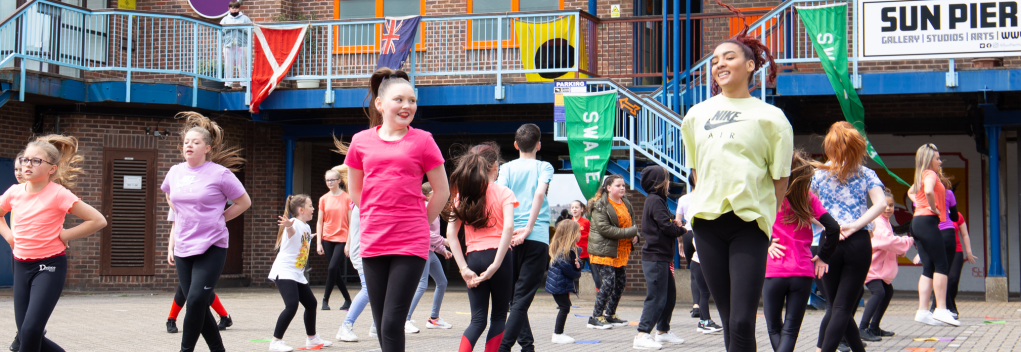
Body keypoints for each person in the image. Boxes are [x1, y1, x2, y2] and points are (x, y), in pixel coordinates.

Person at [678, 3, 793, 349]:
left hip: (749, 224)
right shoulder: (696, 115)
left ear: (750, 65)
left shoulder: (772, 118)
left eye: (728, 57)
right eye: (715, 61)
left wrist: (767, 217)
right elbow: (697, 171)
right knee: (728, 319)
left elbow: (780, 179)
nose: (719, 64)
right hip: (706, 224)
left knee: (743, 319)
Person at [343, 68, 450, 352]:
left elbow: (442, 191)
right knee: (381, 323)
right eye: (399, 100)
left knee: (392, 322)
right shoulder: (360, 141)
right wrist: (373, 216)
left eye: (412, 100)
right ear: (380, 104)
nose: (407, 106)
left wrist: (420, 222)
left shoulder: (423, 140)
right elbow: (355, 190)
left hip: (410, 242)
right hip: (373, 240)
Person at [0, 135, 108, 352]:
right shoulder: (14, 192)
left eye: (36, 161)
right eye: (25, 159)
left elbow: (98, 220)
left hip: (49, 266)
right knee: (26, 335)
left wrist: (65, 235)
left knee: (31, 331)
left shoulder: (59, 194)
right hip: (20, 265)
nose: (27, 165)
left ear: (52, 169)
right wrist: (9, 236)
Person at [162, 112, 251, 352]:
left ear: (207, 148)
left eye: (195, 142)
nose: (189, 145)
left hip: (212, 245)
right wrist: (182, 215)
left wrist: (220, 218)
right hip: (183, 246)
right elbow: (170, 195)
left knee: (195, 300)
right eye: (186, 142)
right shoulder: (175, 172)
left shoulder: (220, 174)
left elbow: (244, 202)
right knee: (198, 303)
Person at [810, 121, 889, 352]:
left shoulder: (818, 175)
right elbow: (881, 204)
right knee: (842, 308)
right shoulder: (866, 173)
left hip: (829, 242)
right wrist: (854, 226)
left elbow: (805, 209)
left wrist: (832, 226)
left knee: (836, 306)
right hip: (859, 241)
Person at [762, 150, 840, 352]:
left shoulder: (769, 195)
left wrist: (767, 243)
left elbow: (751, 224)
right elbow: (833, 228)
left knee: (774, 328)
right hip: (803, 272)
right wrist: (824, 256)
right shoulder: (808, 197)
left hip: (774, 270)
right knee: (790, 331)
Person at [445, 142, 518, 352]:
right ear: (494, 165)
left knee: (477, 320)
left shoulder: (462, 196)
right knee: (499, 316)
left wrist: (463, 269)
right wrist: (496, 264)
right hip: (500, 257)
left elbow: (450, 234)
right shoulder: (504, 192)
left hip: (474, 259)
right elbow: (509, 227)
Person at [495, 123, 555, 352]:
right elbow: (540, 193)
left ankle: (527, 347)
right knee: (521, 300)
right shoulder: (544, 166)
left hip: (510, 238)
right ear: (539, 145)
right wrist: (529, 227)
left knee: (515, 299)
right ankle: (505, 348)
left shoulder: (506, 168)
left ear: (515, 145)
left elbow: (500, 197)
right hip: (536, 237)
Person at [269, 195, 334, 352]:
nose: (313, 209)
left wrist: (311, 236)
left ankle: (312, 339)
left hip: (297, 273)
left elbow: (301, 239)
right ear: (301, 210)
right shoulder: (293, 223)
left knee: (311, 304)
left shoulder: (306, 227)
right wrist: (288, 226)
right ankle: (276, 342)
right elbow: (291, 231)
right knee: (292, 305)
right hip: (285, 271)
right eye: (310, 206)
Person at [634, 166, 687, 350]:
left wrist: (674, 223)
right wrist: (682, 229)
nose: (668, 182)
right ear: (658, 182)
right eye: (666, 179)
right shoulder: (655, 200)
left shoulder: (657, 200)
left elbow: (664, 223)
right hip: (655, 257)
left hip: (662, 257)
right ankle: (642, 334)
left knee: (669, 296)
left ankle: (662, 331)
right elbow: (666, 227)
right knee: (656, 297)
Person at [909, 143, 960, 326]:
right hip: (927, 222)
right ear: (929, 159)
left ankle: (923, 312)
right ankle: (941, 309)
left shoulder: (921, 174)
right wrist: (932, 207)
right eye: (938, 158)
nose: (940, 162)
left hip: (917, 222)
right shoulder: (930, 174)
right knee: (942, 265)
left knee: (928, 268)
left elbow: (911, 192)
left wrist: (921, 204)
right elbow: (929, 191)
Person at [585, 175, 640, 330]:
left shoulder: (626, 202)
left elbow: (632, 223)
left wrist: (636, 235)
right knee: (609, 283)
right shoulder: (600, 205)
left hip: (620, 251)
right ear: (608, 188)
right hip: (603, 251)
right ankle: (595, 317)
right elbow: (605, 229)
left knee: (620, 283)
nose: (622, 188)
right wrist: (631, 232)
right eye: (618, 185)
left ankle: (610, 314)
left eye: (623, 185)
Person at [166, 209, 233, 334]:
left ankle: (172, 319)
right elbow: (175, 225)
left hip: (203, 250)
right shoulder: (175, 202)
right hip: (184, 251)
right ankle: (223, 317)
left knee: (197, 288)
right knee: (193, 288)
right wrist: (170, 249)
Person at [859, 188, 914, 338]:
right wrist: (907, 241)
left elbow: (888, 243)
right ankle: (862, 328)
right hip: (871, 266)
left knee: (887, 292)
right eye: (886, 205)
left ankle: (874, 327)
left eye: (891, 205)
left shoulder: (885, 222)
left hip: (878, 267)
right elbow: (887, 241)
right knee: (879, 292)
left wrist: (898, 249)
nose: (888, 208)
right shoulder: (878, 221)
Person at [405, 182, 453, 332]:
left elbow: (432, 236)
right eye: (434, 192)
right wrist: (443, 241)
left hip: (430, 252)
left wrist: (442, 249)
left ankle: (434, 319)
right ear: (427, 195)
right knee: (422, 284)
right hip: (423, 251)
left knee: (442, 282)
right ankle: (404, 319)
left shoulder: (433, 209)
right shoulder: (425, 207)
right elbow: (424, 231)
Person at [335, 198, 374, 342]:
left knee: (379, 290)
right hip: (363, 253)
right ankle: (346, 326)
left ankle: (376, 326)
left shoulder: (362, 202)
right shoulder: (363, 203)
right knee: (368, 289)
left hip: (367, 252)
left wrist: (348, 243)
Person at [316, 165, 353, 311]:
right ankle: (347, 299)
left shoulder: (347, 198)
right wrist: (318, 243)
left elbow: (351, 222)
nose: (330, 182)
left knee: (332, 268)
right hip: (327, 238)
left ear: (339, 180)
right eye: (327, 180)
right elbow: (320, 222)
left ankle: (325, 299)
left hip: (342, 238)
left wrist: (348, 243)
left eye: (332, 180)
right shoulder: (323, 199)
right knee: (334, 270)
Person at [926, 188, 962, 317]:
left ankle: (940, 307)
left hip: (949, 243)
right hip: (937, 236)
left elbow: (964, 233)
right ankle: (944, 307)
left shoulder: (919, 195)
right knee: (940, 273)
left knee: (945, 276)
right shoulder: (945, 194)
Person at [546, 220, 583, 344]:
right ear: (571, 234)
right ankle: (558, 334)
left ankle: (559, 332)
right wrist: (578, 273)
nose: (580, 234)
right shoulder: (563, 252)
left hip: (560, 284)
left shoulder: (570, 249)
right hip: (558, 285)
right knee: (565, 307)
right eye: (578, 232)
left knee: (565, 306)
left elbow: (575, 264)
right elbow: (568, 270)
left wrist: (579, 264)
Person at [220, 1, 251, 88]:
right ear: (229, 8)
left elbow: (250, 30)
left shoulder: (245, 18)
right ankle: (228, 84)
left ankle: (244, 84)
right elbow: (221, 30)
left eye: (236, 8)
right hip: (228, 45)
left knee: (242, 65)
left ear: (239, 8)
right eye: (232, 8)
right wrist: (231, 27)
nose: (234, 10)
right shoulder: (225, 19)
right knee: (228, 65)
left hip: (241, 45)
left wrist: (239, 27)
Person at [569, 200, 598, 290]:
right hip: (575, 253)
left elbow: (592, 235)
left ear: (581, 209)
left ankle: (600, 293)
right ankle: (569, 294)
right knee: (569, 273)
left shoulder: (586, 222)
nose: (574, 209)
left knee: (596, 273)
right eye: (572, 207)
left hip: (588, 252)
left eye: (576, 207)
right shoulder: (569, 223)